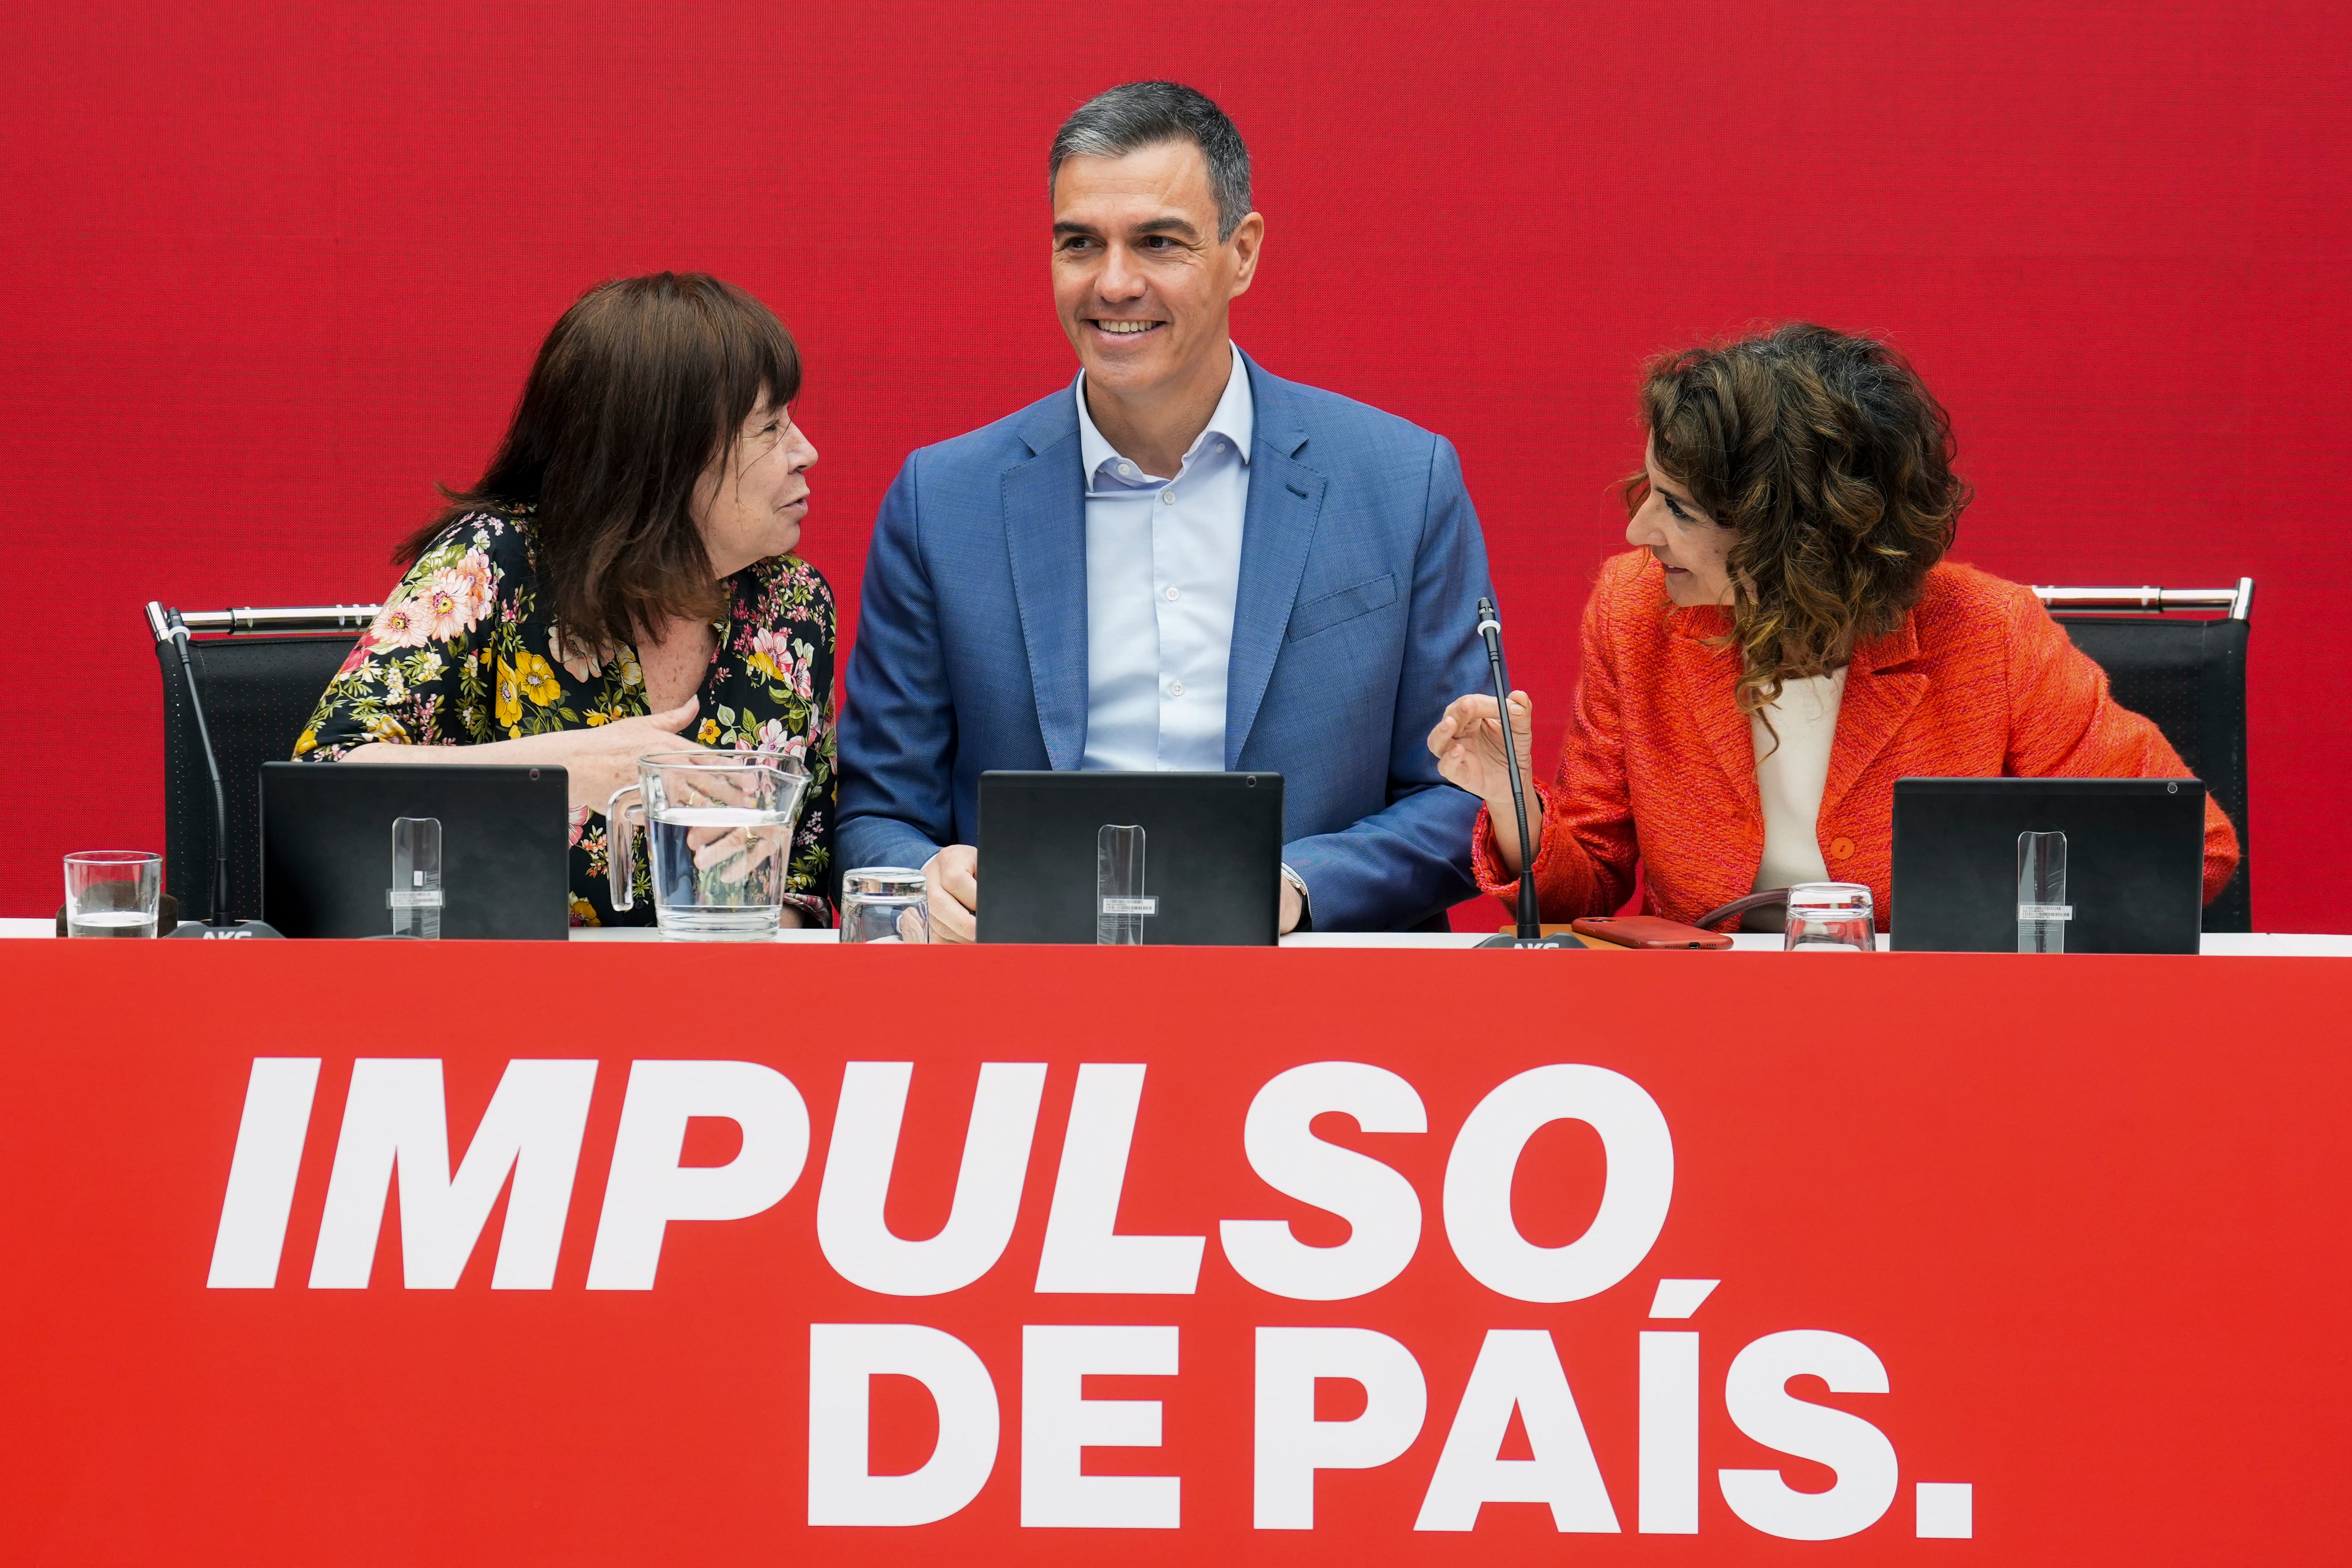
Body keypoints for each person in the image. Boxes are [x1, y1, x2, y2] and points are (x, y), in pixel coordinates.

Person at [837, 81, 1494, 937]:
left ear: (1243, 251)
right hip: (1025, 1006)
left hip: (1315, 1010)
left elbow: (1464, 800)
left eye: (1158, 242)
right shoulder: (942, 501)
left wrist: (1293, 885)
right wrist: (925, 879)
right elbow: (875, 814)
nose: (1114, 283)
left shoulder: (1403, 482)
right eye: (1081, 244)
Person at [1428, 322, 2239, 932]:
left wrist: (1977, 921)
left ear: (1794, 531)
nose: (1640, 531)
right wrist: (1510, 796)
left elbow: (2190, 848)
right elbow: (1586, 889)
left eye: (1676, 506)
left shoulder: (1990, 634)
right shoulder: (1634, 609)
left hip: (1934, 1038)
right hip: (1701, 1040)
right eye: (1649, 486)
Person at [295, 272, 836, 927]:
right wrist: (556, 770)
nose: (805, 452)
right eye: (770, 426)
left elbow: (807, 882)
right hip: (503, 1008)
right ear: (666, 454)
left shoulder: (793, 607)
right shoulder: (494, 564)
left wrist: (765, 915)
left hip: (715, 1010)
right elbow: (319, 787)